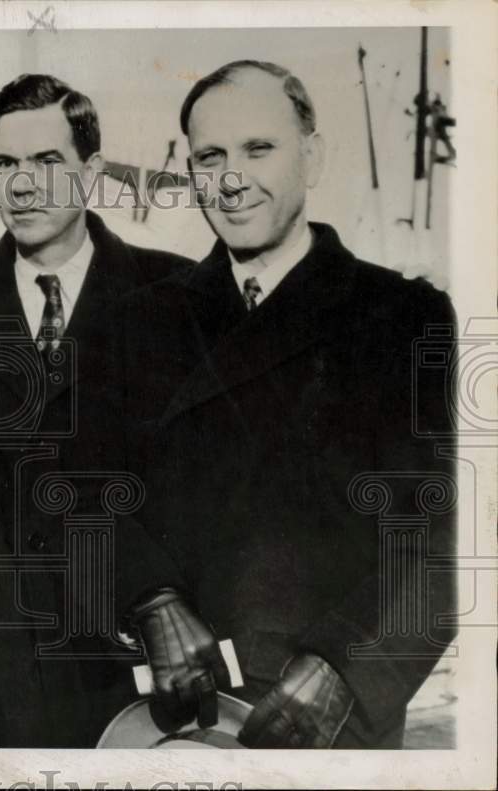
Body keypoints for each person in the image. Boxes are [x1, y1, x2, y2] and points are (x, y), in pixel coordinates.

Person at [120, 60, 457, 748]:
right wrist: (147, 593)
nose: (232, 178)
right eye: (210, 156)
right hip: (165, 718)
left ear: (313, 155)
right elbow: (75, 491)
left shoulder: (403, 316)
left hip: (328, 720)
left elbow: (443, 539)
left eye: (259, 148)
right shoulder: (139, 321)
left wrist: (345, 670)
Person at [0, 73, 195, 747]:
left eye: (47, 162)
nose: (22, 185)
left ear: (91, 171)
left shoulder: (180, 295)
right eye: (5, 165)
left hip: (141, 688)